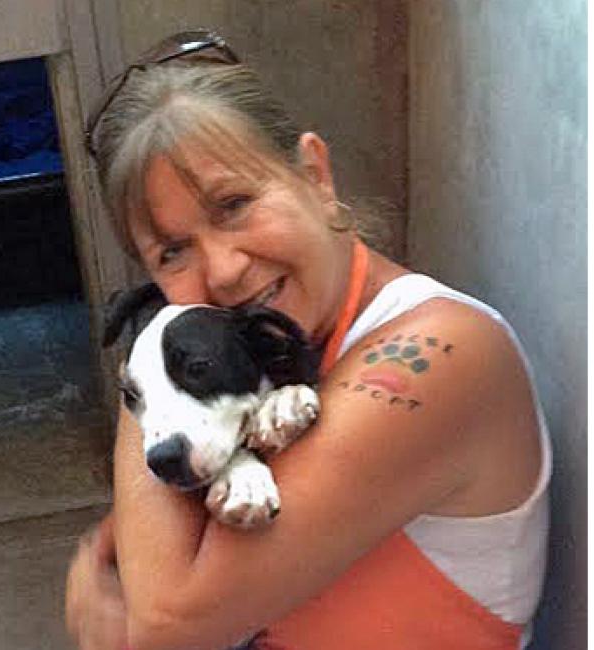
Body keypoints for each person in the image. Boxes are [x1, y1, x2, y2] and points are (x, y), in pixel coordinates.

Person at [65, 30, 550, 650]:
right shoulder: (258, 359)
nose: (223, 270)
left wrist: (151, 360)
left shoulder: (441, 355)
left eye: (234, 204)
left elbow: (160, 625)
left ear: (316, 176)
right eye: (172, 251)